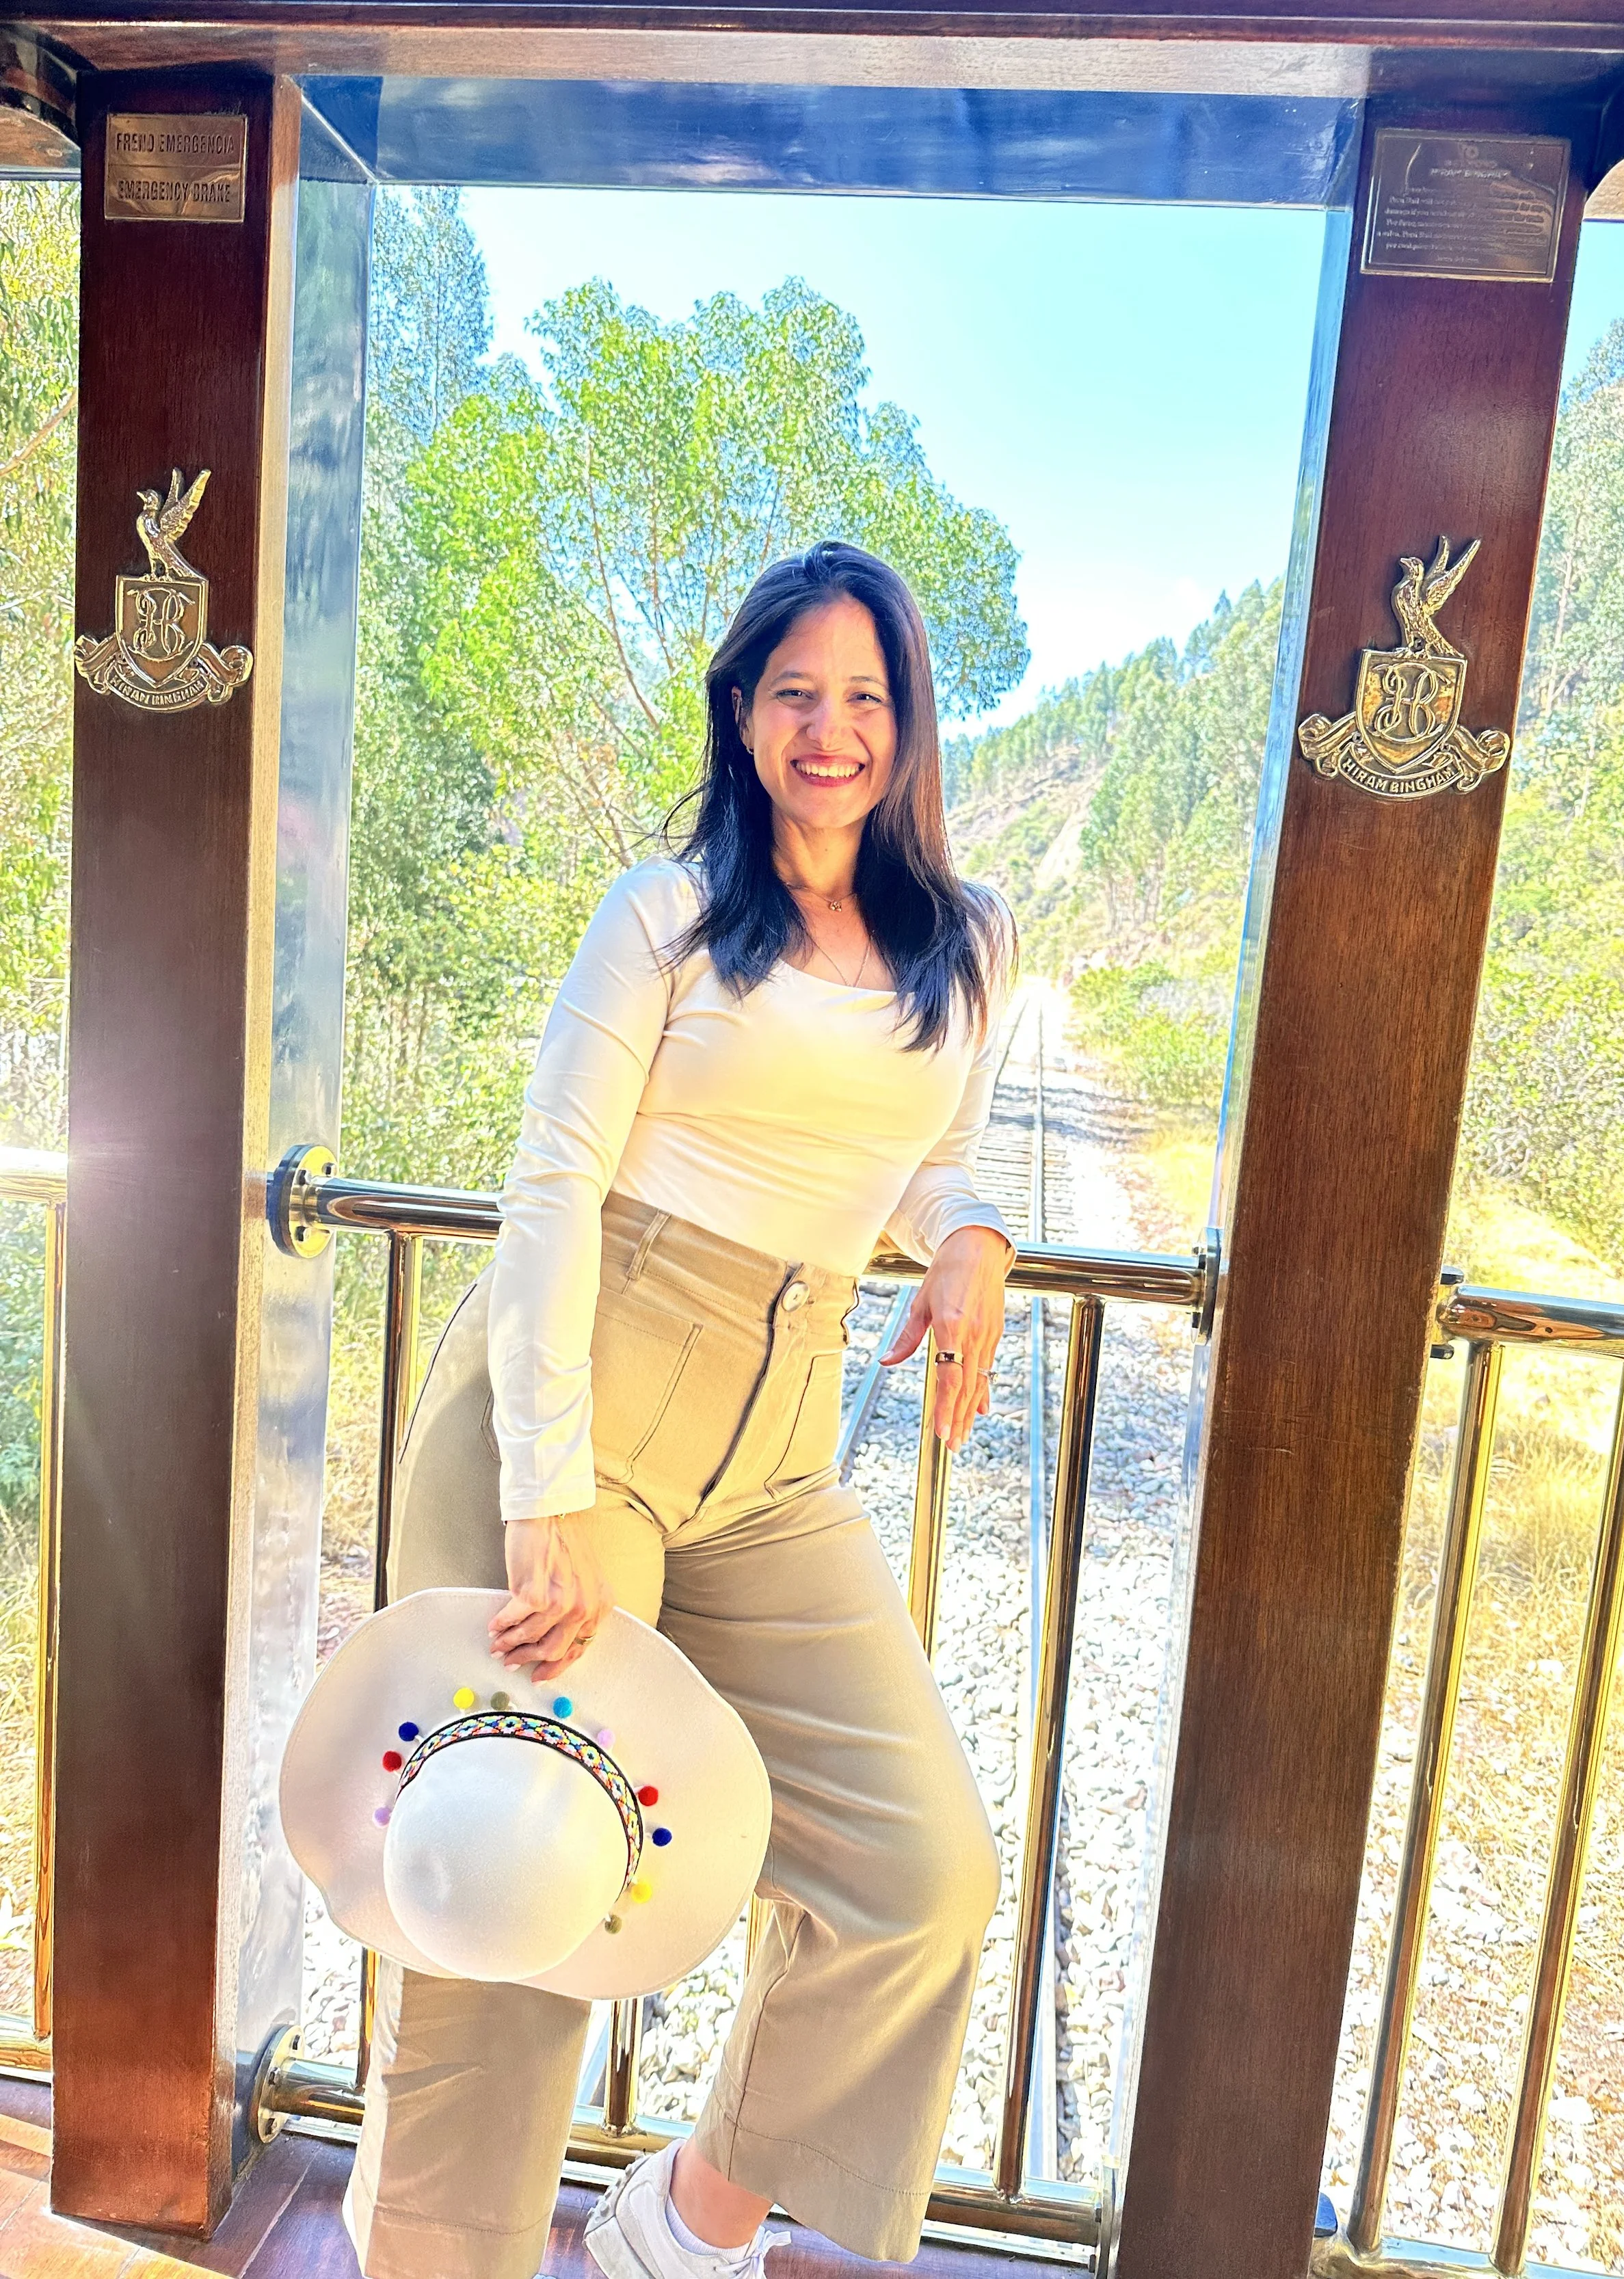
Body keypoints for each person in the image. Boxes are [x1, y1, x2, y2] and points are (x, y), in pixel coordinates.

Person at [344, 540, 1017, 2279]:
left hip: (775, 1444)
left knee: (922, 1870)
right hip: (577, 1392)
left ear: (908, 725)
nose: (831, 726)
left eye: (866, 695)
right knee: (511, 1867)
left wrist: (968, 1239)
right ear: (741, 708)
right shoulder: (659, 913)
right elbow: (552, 1183)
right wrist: (543, 1487)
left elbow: (928, 1159)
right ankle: (430, 2256)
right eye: (795, 688)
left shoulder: (965, 942)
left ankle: (688, 2211)